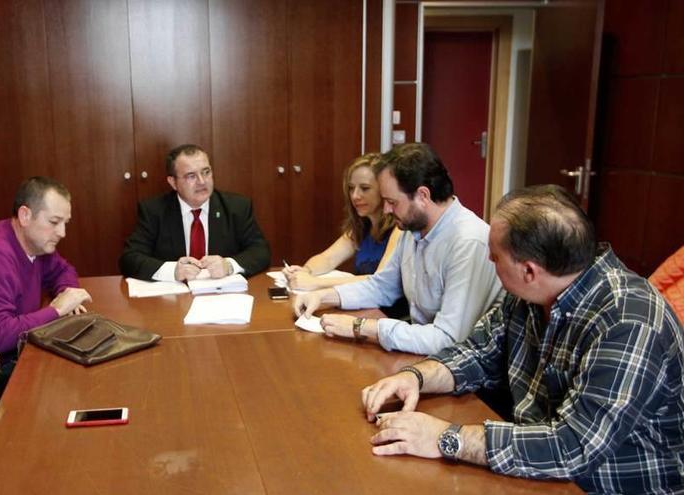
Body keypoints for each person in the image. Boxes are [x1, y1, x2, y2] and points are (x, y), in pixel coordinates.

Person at [362, 185, 684, 493]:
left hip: (604, 485)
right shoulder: (532, 292)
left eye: (495, 257)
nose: (489, 262)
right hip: (535, 469)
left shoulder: (628, 321)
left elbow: (573, 447)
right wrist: (415, 377)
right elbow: (479, 351)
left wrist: (446, 438)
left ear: (529, 270)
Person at [293, 143, 503, 355]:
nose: (386, 210)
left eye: (392, 202)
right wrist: (323, 296)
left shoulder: (468, 242)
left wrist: (361, 327)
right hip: (422, 352)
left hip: (462, 367)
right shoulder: (411, 229)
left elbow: (447, 339)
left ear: (423, 196)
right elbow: (381, 286)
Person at [0, 177, 92, 358]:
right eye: (54, 222)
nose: (62, 233)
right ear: (25, 216)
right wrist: (57, 310)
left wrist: (67, 293)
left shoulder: (36, 243)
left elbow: (63, 270)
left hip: (17, 349)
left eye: (65, 223)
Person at [119, 144, 270, 281]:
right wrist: (173, 271)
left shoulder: (236, 207)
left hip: (222, 297)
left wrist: (228, 265)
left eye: (206, 172)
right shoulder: (154, 211)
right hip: (174, 302)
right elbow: (129, 259)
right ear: (173, 182)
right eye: (191, 176)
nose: (202, 181)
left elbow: (260, 251)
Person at [282, 153, 402, 290]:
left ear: (384, 190)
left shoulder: (399, 229)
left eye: (365, 188)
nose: (355, 196)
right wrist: (304, 271)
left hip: (387, 310)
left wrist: (314, 282)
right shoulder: (361, 227)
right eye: (351, 188)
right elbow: (327, 259)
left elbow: (380, 280)